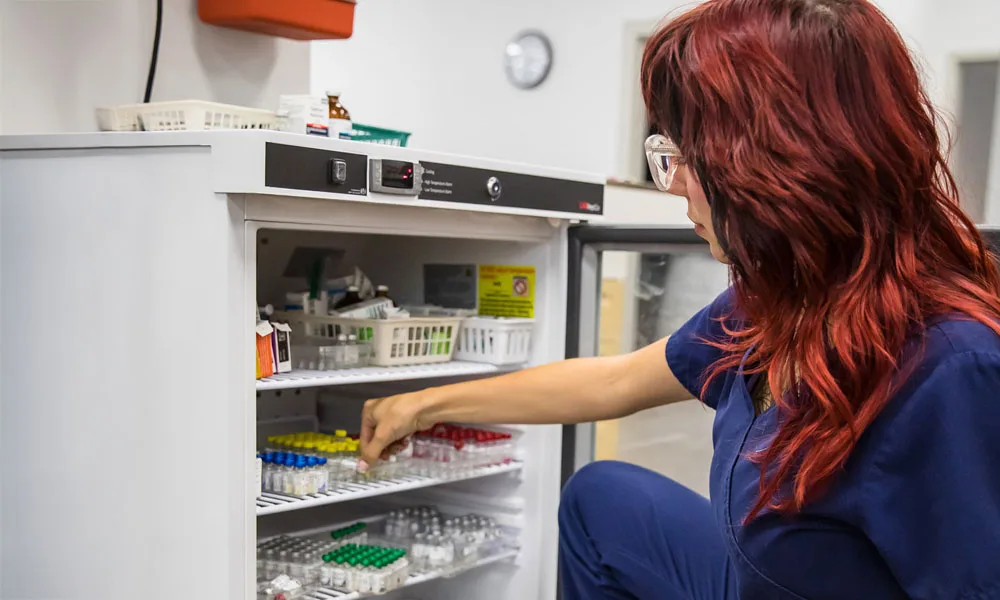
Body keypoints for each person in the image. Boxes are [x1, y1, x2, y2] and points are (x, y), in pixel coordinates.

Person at [358, 0, 1000, 598]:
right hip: (773, 575)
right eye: (665, 155)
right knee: (601, 496)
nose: (674, 186)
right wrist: (425, 404)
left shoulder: (949, 369)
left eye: (688, 157)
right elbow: (614, 382)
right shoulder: (783, 297)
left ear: (786, 162)